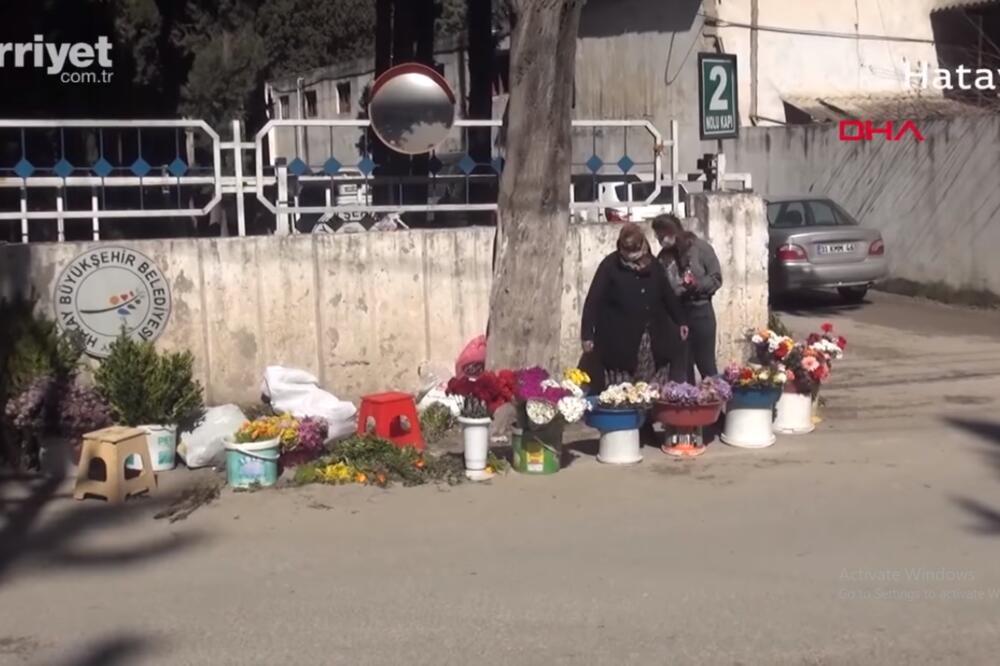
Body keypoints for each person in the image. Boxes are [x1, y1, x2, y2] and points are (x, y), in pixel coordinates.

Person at [581, 223, 689, 436]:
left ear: (643, 246)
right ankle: (623, 427)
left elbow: (668, 295)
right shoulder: (609, 266)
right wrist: (587, 335)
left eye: (634, 252)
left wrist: (681, 321)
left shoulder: (654, 267)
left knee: (648, 385)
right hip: (619, 338)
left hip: (650, 338)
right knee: (623, 386)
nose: (631, 257)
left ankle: (646, 424)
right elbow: (592, 301)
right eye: (626, 252)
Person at [652, 214, 723, 383]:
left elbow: (716, 278)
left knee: (706, 365)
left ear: (672, 232)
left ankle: (716, 404)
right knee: (682, 368)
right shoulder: (663, 257)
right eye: (658, 237)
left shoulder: (700, 248)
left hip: (701, 312)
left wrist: (696, 284)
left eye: (662, 235)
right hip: (677, 316)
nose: (660, 240)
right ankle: (688, 405)